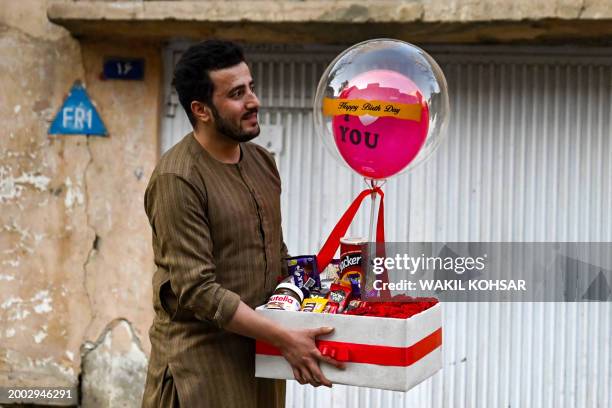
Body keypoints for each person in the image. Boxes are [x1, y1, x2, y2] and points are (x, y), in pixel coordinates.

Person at [141, 40, 344, 408]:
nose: (254, 101)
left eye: (251, 87)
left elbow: (274, 256)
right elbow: (198, 291)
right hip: (202, 372)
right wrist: (285, 338)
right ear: (201, 110)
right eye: (236, 93)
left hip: (263, 361)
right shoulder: (178, 178)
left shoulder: (262, 162)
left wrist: (327, 291)